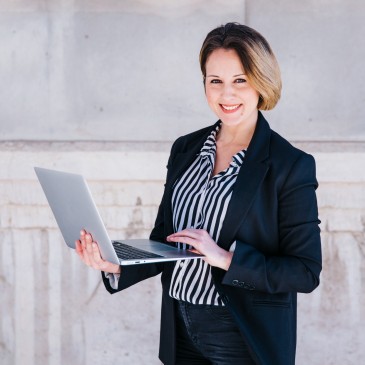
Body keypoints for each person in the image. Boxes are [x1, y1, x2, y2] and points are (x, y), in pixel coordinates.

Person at [75, 22, 322, 365]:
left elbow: (305, 271)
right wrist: (114, 264)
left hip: (242, 336)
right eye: (215, 81)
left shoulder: (289, 165)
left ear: (261, 82)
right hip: (180, 329)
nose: (227, 94)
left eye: (240, 80)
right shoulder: (185, 149)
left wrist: (225, 258)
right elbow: (165, 240)